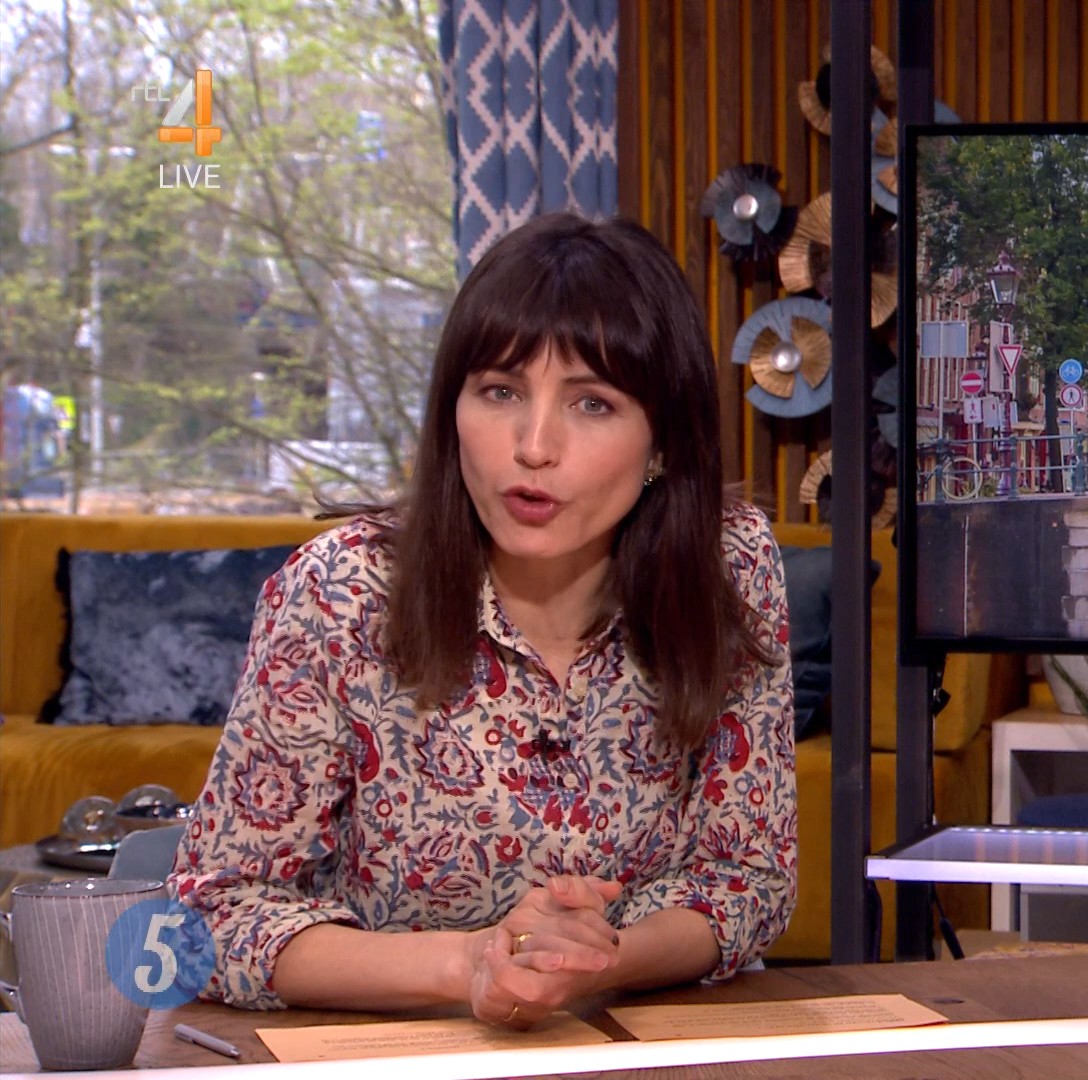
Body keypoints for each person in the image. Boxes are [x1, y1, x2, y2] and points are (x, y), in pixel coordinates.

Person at [169, 212, 797, 1027]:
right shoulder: (340, 592)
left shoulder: (729, 566)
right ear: (452, 410)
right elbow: (210, 917)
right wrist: (471, 963)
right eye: (500, 392)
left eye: (593, 403)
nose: (534, 446)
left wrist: (594, 959)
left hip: (642, 1044)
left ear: (662, 445)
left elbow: (748, 878)